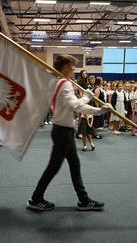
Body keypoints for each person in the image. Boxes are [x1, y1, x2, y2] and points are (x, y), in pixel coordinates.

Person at [26, 54, 112, 211]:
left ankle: (83, 200)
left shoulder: (61, 82)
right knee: (54, 167)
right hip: (62, 132)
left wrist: (99, 111)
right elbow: (76, 106)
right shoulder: (64, 84)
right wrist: (87, 97)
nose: (74, 69)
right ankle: (36, 198)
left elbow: (77, 106)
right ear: (65, 67)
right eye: (72, 66)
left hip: (64, 130)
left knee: (74, 164)